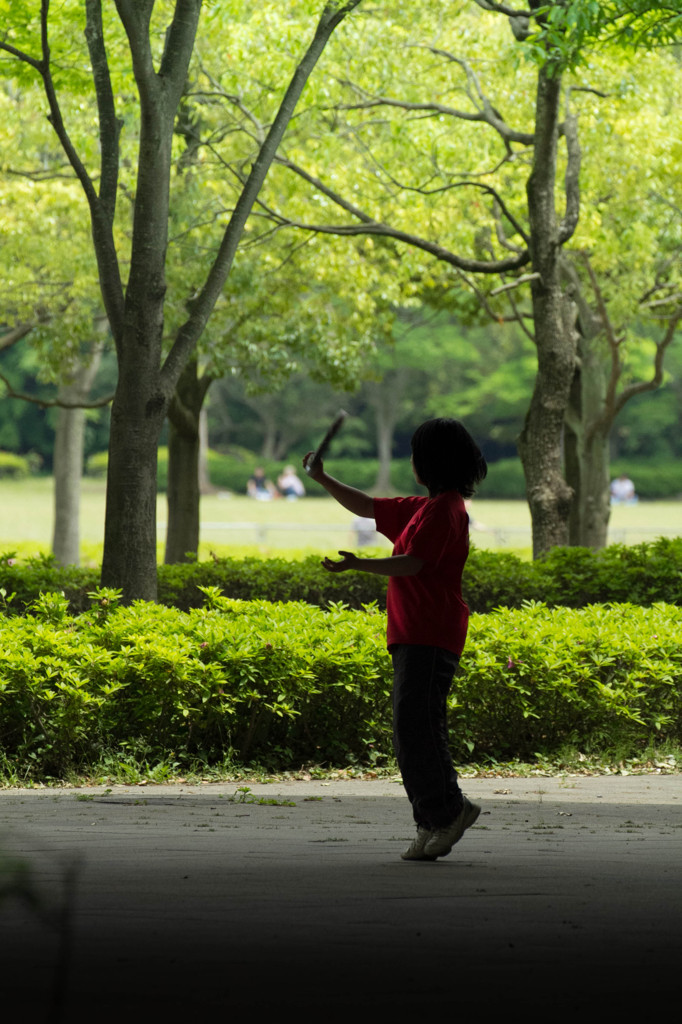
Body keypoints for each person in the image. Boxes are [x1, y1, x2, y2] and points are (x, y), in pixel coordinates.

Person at [304, 417, 487, 862]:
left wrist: (357, 565)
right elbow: (367, 506)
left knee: (419, 726)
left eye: (416, 452)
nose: (411, 461)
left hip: (431, 631)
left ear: (431, 460)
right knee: (413, 728)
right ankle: (434, 817)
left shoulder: (446, 510)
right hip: (412, 632)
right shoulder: (426, 507)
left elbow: (413, 564)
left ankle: (447, 813)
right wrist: (323, 477)